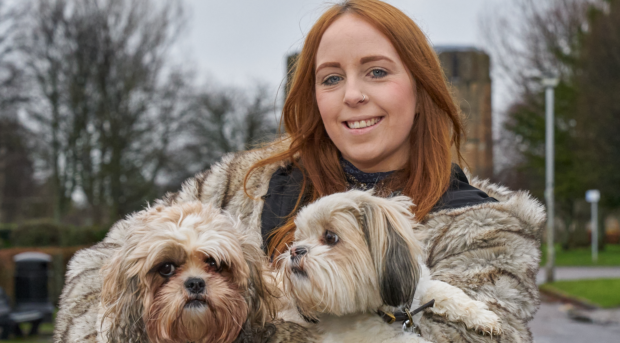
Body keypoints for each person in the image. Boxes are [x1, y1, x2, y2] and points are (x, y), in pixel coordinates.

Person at [54, 0, 544, 342]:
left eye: (376, 71)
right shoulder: (245, 183)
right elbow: (100, 273)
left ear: (421, 90)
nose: (352, 94)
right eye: (331, 78)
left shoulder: (485, 230)